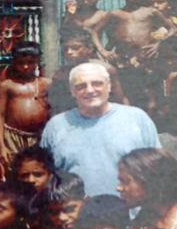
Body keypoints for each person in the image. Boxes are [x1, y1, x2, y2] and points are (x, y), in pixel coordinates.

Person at [40, 63, 161, 197]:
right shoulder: (56, 126)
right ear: (72, 91)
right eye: (81, 86)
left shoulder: (137, 118)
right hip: (76, 214)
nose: (90, 90)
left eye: (97, 83)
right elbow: (46, 175)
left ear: (109, 85)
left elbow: (157, 169)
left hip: (129, 214)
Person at [86, 0, 177, 107]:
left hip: (146, 58)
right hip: (123, 58)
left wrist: (157, 44)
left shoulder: (151, 12)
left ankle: (149, 122)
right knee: (126, 94)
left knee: (149, 95)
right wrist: (102, 50)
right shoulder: (115, 13)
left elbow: (173, 28)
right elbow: (93, 30)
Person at [0, 42, 51, 168]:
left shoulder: (46, 84)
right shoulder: (7, 85)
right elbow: (0, 116)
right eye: (20, 63)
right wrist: (1, 147)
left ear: (38, 61)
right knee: (15, 170)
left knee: (38, 169)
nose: (25, 67)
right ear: (14, 63)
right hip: (13, 138)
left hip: (39, 136)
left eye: (31, 62)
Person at [50, 29, 128, 117]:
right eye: (65, 49)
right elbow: (58, 106)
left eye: (75, 48)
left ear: (89, 49)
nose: (69, 52)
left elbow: (120, 98)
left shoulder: (105, 70)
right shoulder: (61, 75)